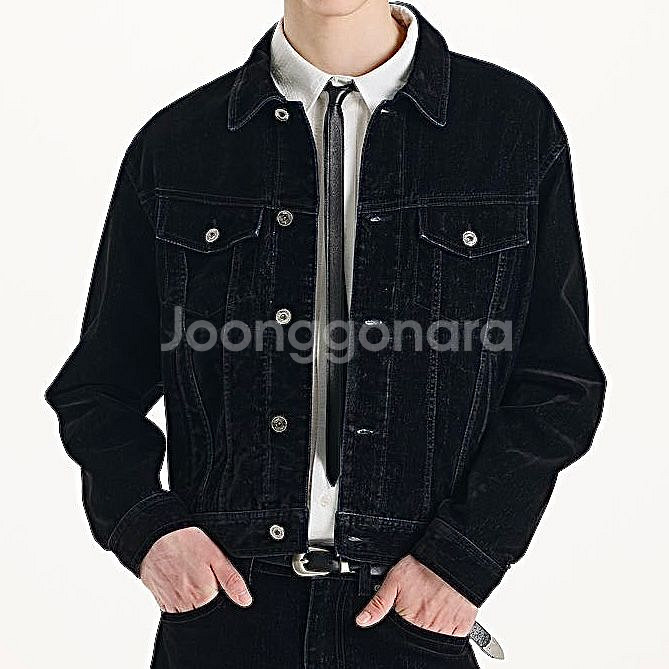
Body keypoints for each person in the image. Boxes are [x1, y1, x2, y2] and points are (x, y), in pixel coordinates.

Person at [45, 1, 605, 667]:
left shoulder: (509, 128)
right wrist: (147, 530)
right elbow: (98, 390)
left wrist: (464, 559)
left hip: (408, 619)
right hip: (226, 615)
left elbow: (558, 385)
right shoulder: (180, 145)